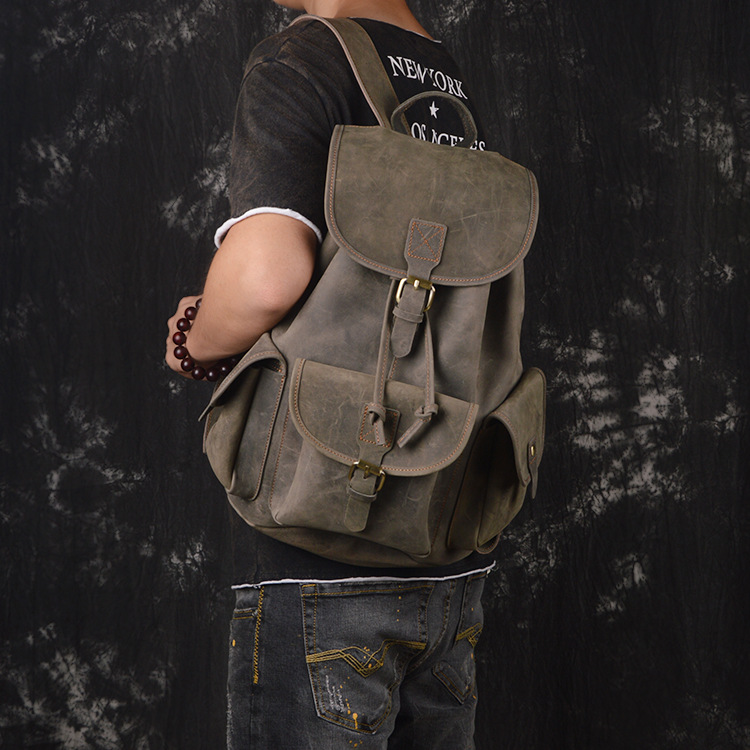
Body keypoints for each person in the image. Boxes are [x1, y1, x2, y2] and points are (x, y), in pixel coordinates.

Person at [166, 1, 494, 747]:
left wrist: (195, 340)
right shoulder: (444, 77)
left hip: (318, 539)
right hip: (446, 539)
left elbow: (265, 279)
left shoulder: (304, 59)